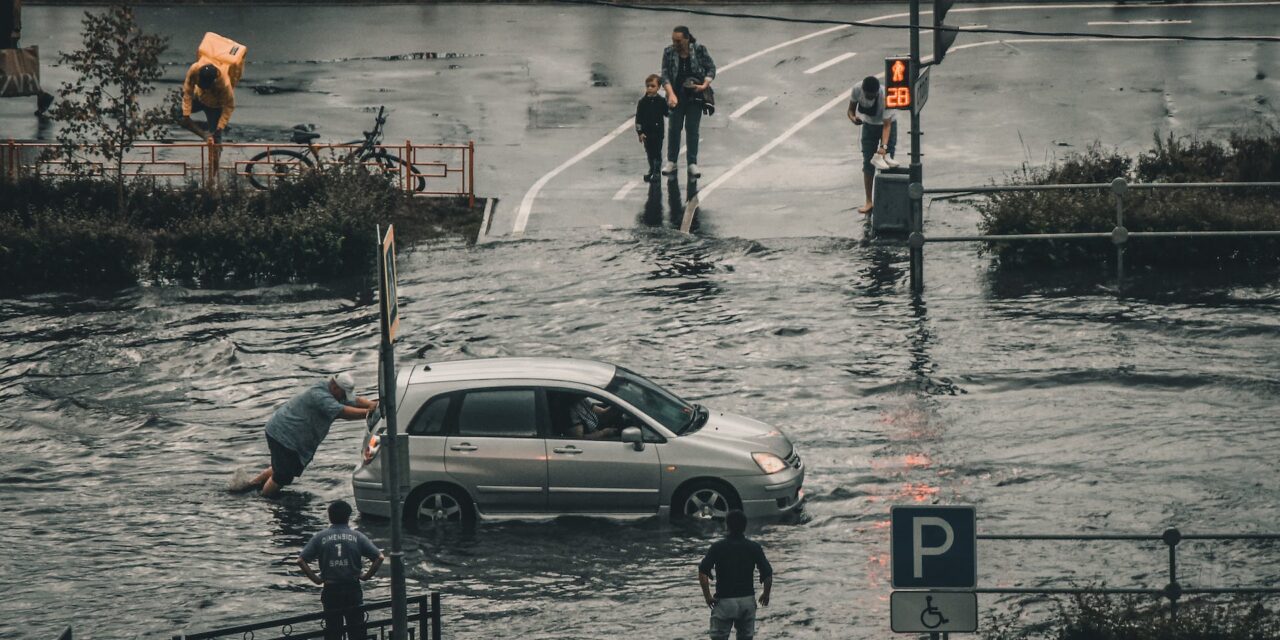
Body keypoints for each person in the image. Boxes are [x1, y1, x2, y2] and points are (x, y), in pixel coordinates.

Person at [248, 373, 378, 497]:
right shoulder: (320, 396)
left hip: (287, 433)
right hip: (284, 434)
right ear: (334, 387)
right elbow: (342, 412)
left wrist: (372, 405)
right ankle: (266, 498)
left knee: (284, 465)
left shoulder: (330, 390)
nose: (344, 397)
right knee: (283, 476)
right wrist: (369, 413)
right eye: (343, 393)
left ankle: (252, 485)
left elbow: (352, 400)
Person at [298, 500, 384, 640]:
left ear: (330, 516)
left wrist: (316, 579)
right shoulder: (358, 537)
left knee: (333, 631)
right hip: (352, 588)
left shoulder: (320, 537)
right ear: (348, 517)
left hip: (331, 589)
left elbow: (300, 560)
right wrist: (366, 576)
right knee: (357, 630)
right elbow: (379, 557)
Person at [698, 510, 773, 640]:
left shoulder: (718, 547)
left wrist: (708, 596)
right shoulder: (754, 547)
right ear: (744, 526)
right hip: (747, 601)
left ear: (727, 526)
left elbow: (703, 572)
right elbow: (767, 573)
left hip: (724, 601)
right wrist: (766, 594)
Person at [660, 25, 715, 179]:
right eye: (673, 40)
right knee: (673, 129)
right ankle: (672, 161)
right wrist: (670, 94)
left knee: (692, 129)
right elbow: (664, 75)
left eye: (678, 41)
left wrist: (704, 85)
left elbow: (711, 68)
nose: (675, 44)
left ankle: (692, 163)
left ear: (687, 39)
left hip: (695, 96)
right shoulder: (669, 52)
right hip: (676, 95)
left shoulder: (699, 50)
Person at [847, 75, 899, 215]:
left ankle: (886, 201)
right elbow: (850, 110)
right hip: (869, 125)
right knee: (868, 162)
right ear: (863, 91)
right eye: (867, 96)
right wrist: (853, 119)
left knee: (886, 162)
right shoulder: (857, 89)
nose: (870, 98)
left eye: (873, 96)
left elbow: (887, 126)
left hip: (888, 125)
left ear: (877, 92)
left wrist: (884, 147)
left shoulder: (886, 96)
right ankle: (869, 201)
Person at [2, 0, 55, 117]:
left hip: (5, 27)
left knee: (12, 65)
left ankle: (41, 94)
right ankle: (42, 95)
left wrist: (16, 28)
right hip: (5, 26)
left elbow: (16, 5)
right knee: (12, 65)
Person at [180, 62, 234, 143]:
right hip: (198, 97)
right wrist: (186, 114)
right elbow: (188, 90)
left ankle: (214, 149)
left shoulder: (224, 84)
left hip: (214, 105)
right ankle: (204, 134)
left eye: (206, 85)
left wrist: (220, 126)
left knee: (216, 135)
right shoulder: (195, 69)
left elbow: (229, 106)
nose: (203, 86)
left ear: (213, 81)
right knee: (177, 113)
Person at [636, 73, 669, 183]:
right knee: (649, 152)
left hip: (658, 132)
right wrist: (640, 132)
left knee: (657, 152)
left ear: (658, 87)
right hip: (647, 132)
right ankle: (652, 169)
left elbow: (667, 113)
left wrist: (671, 106)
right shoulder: (642, 102)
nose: (650, 88)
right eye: (648, 86)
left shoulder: (661, 101)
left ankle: (656, 171)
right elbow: (638, 118)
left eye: (652, 86)